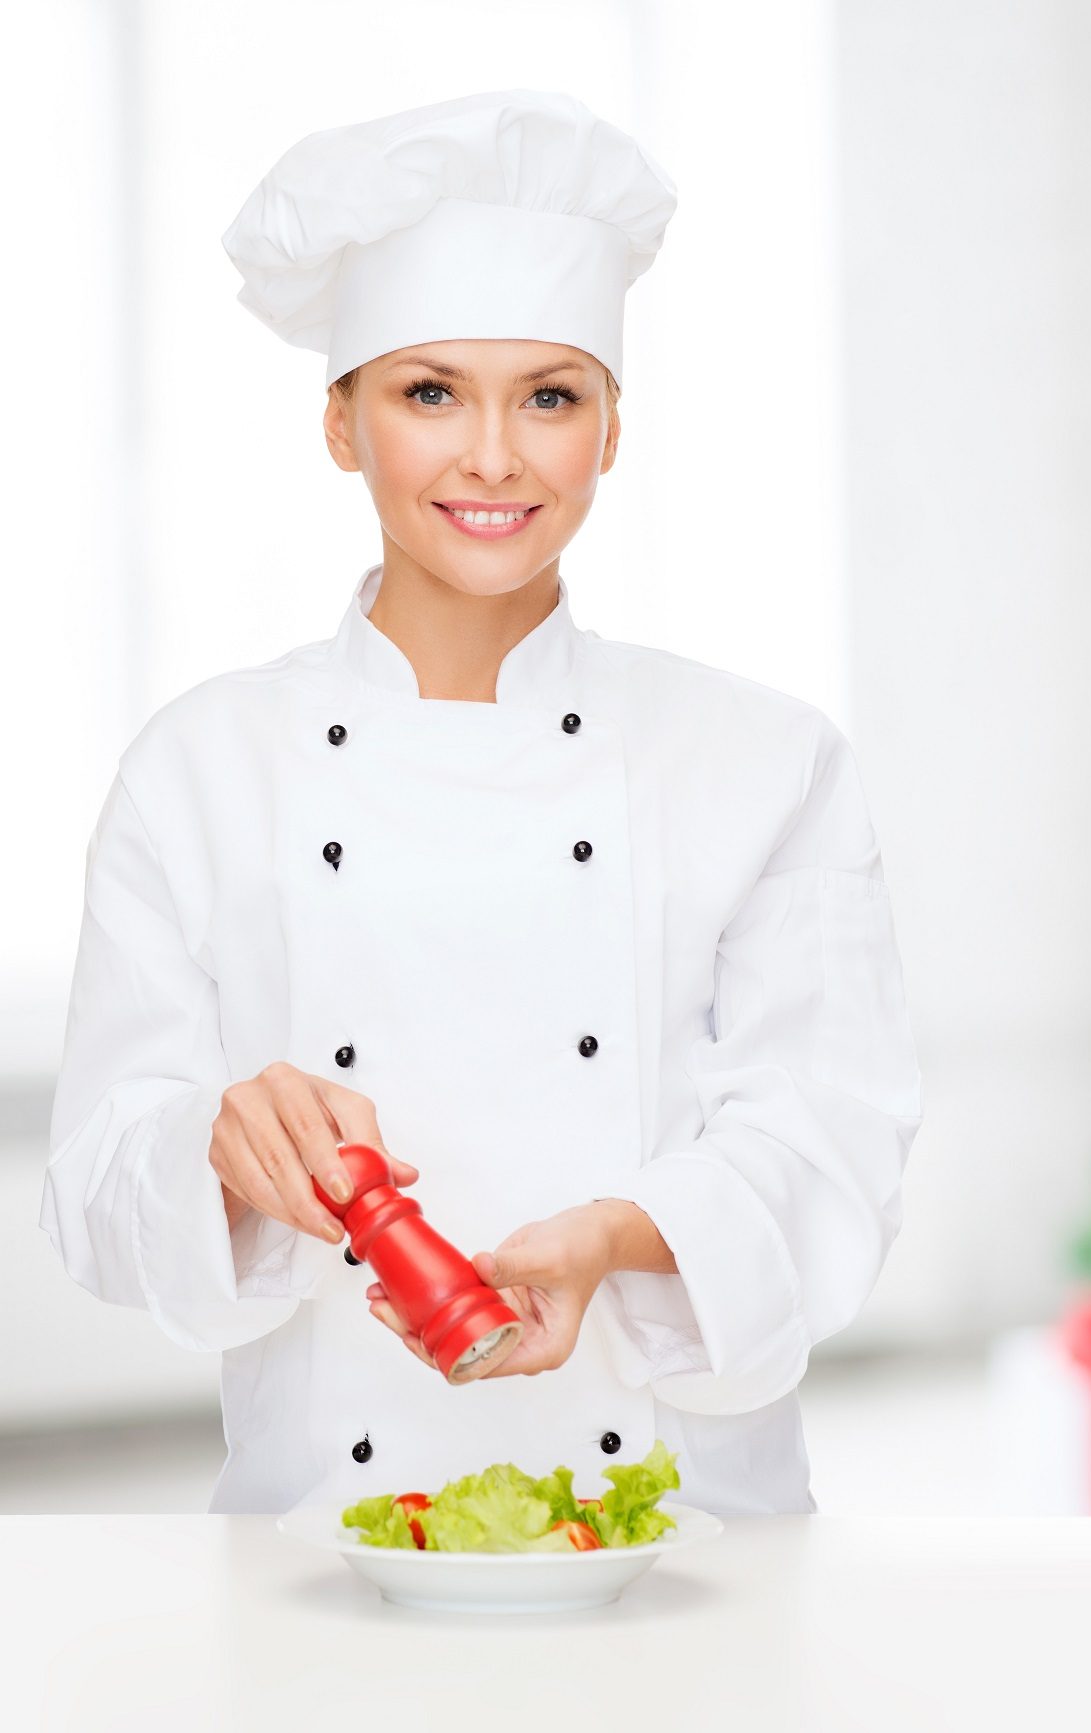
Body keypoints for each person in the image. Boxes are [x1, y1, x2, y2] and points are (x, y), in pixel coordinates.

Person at [37, 88, 924, 1517]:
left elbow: (833, 1135)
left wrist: (613, 1235)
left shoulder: (763, 758)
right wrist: (217, 1147)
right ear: (342, 422)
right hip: (326, 1522)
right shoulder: (201, 767)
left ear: (613, 429)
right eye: (429, 392)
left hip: (680, 1521)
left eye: (551, 397)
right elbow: (93, 1190)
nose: (495, 457)